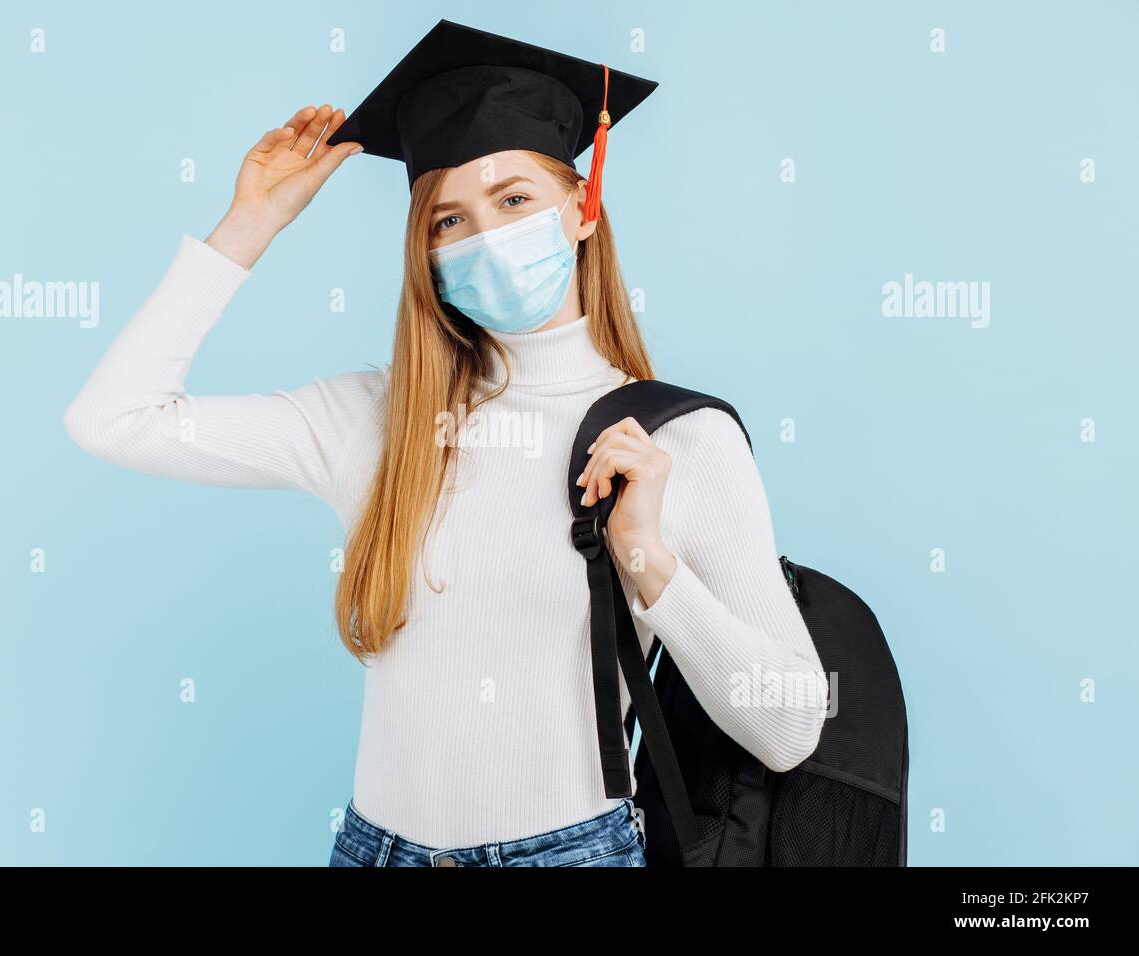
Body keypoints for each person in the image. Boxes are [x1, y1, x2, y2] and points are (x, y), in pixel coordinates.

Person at [63, 19, 827, 868]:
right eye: (447, 221)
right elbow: (114, 418)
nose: (485, 239)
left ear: (582, 205)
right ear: (423, 252)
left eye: (513, 202)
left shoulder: (673, 438)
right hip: (371, 851)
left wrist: (647, 557)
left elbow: (791, 726)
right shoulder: (374, 420)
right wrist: (251, 225)